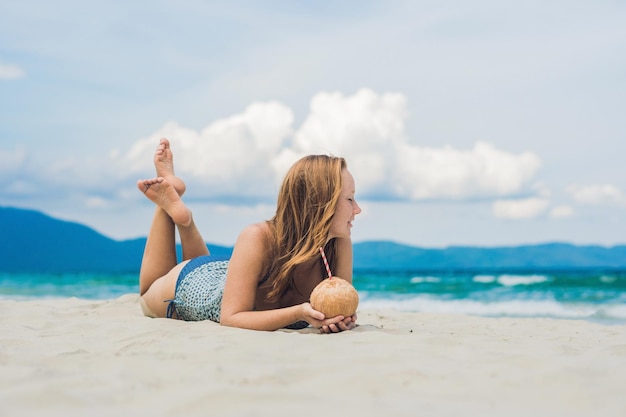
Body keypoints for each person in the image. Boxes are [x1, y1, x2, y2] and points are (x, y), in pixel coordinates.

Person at [137, 138, 361, 333]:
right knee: (146, 295)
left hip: (227, 277)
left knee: (212, 284)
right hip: (194, 285)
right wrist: (298, 313)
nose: (357, 209)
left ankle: (185, 221)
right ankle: (167, 200)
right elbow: (230, 317)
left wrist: (340, 320)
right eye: (349, 199)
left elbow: (341, 307)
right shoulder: (257, 237)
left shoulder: (338, 243)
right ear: (321, 204)